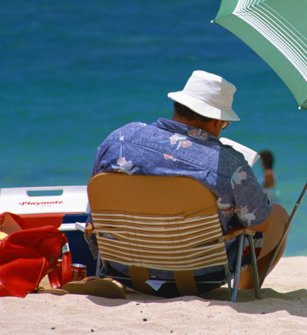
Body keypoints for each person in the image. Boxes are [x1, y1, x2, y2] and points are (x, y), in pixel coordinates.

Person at [87, 70, 290, 291]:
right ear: (216, 121)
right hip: (200, 276)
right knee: (278, 216)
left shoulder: (119, 139)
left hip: (123, 267)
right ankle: (246, 292)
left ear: (177, 107)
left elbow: (94, 207)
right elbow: (261, 221)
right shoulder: (229, 164)